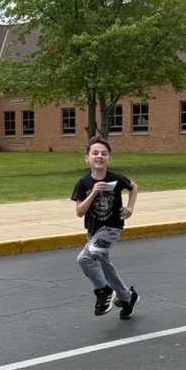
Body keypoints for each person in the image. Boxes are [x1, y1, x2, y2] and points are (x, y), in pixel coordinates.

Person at [71, 136, 140, 318]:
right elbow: (79, 211)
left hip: (111, 229)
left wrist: (130, 207)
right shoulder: (83, 183)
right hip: (93, 231)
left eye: (104, 153)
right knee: (104, 264)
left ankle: (104, 292)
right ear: (87, 158)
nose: (99, 156)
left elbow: (133, 187)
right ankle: (127, 296)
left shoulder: (116, 178)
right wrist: (94, 192)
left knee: (85, 259)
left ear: (109, 158)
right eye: (95, 153)